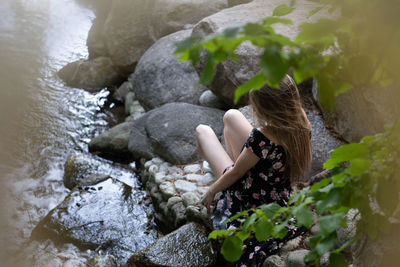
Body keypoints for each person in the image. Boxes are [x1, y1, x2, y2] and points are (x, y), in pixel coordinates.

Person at [195, 74, 312, 266]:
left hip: (247, 195)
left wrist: (211, 191)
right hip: (277, 190)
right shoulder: (300, 117)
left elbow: (236, 174)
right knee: (231, 115)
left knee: (202, 131)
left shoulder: (262, 136)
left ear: (265, 109)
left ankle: (212, 163)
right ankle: (232, 161)